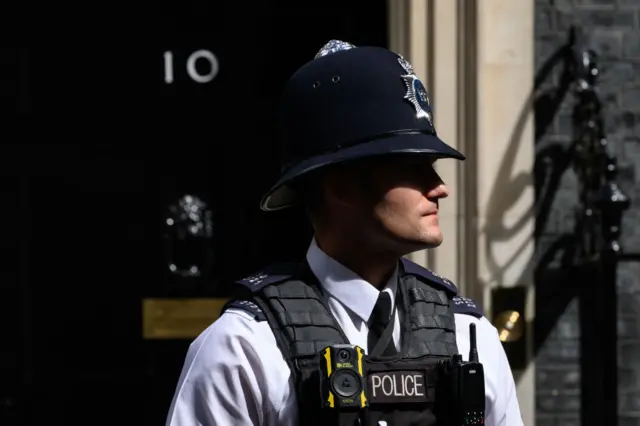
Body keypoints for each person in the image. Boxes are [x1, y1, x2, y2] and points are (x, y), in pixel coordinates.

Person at [166, 40, 523, 426]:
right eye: (412, 167)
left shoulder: (470, 335)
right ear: (341, 186)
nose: (439, 187)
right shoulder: (244, 349)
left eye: (432, 166)